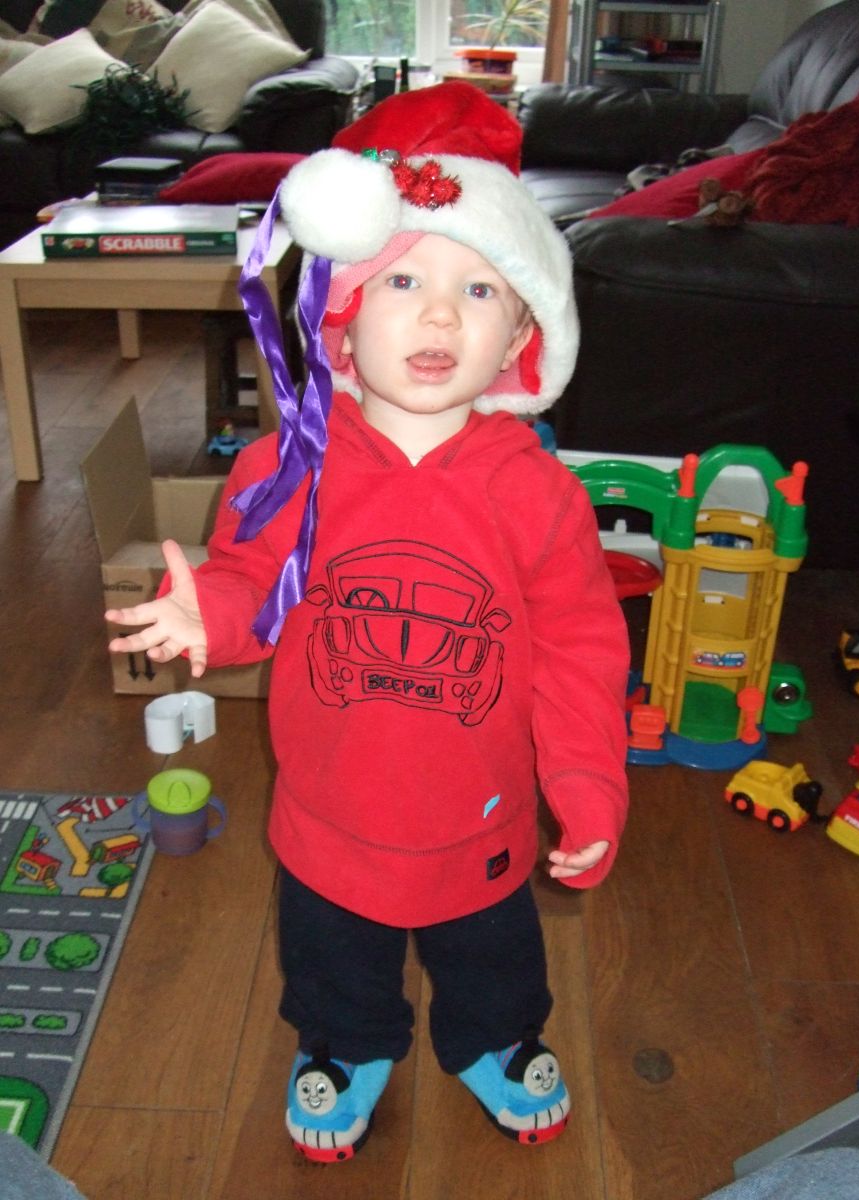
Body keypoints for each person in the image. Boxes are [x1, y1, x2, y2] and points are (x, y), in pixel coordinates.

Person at [105, 82, 630, 1163]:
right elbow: (252, 583)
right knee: (332, 947)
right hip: (330, 801)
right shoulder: (288, 463)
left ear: (522, 335)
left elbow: (580, 654)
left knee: (491, 947)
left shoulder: (540, 495)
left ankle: (495, 1036)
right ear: (340, 310)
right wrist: (208, 610)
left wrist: (586, 782)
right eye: (403, 279)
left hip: (481, 804)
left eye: (479, 289)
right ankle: (346, 1044)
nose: (440, 316)